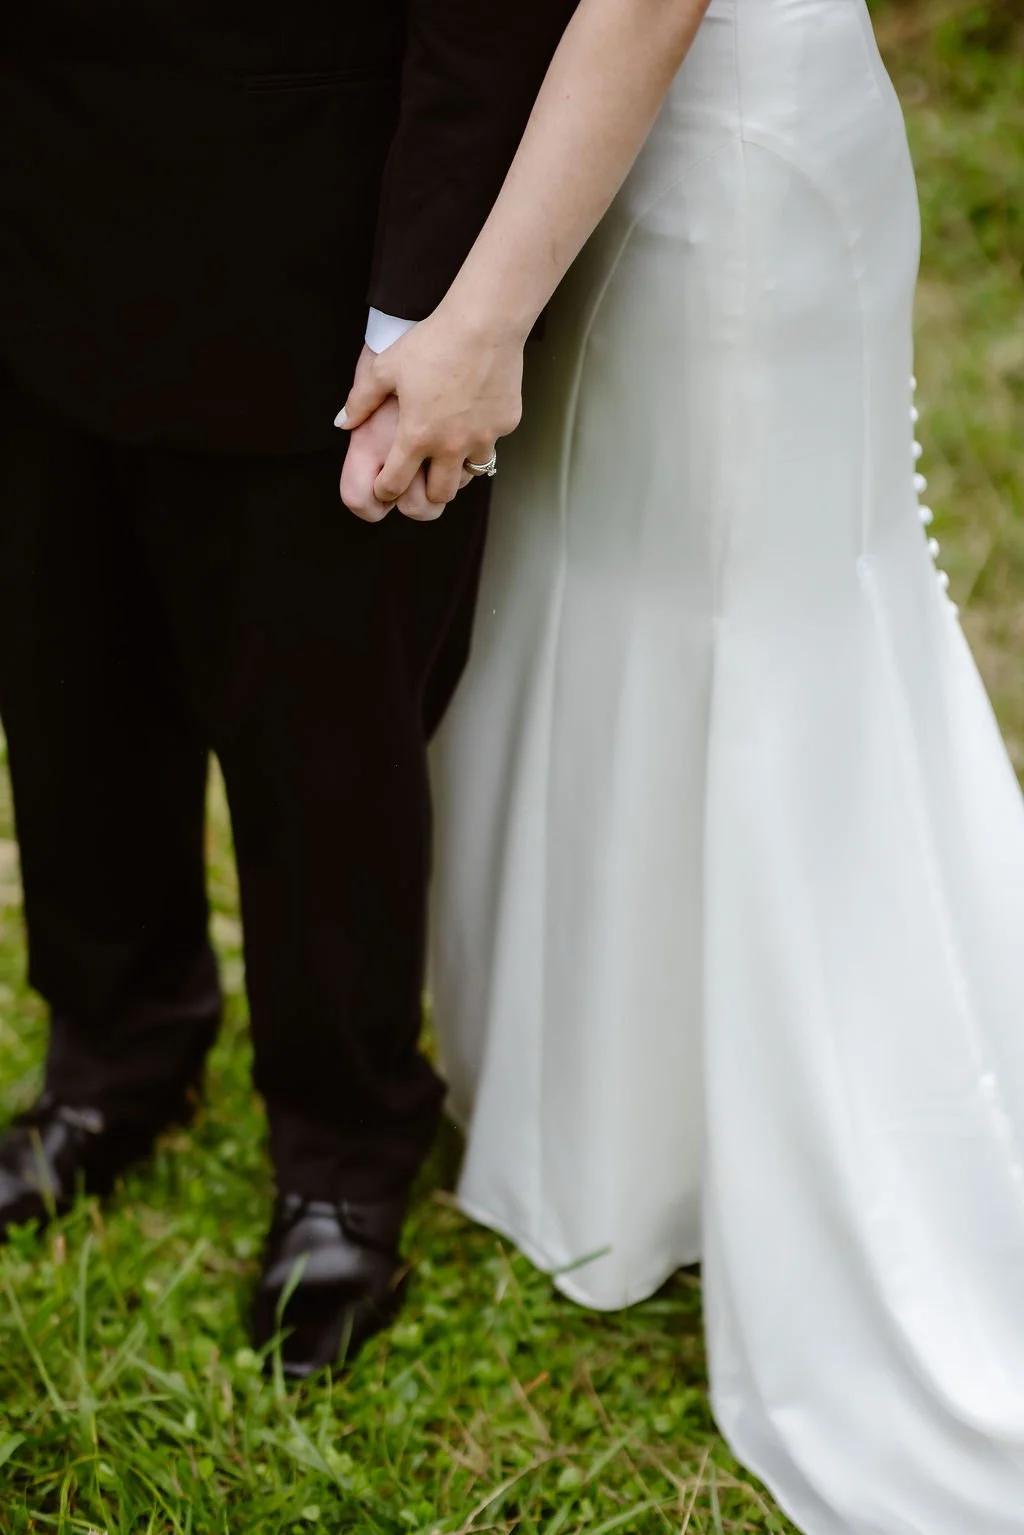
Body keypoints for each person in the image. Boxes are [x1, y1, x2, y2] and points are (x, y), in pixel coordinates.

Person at [341, 0, 1024, 1527]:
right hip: (610, 148)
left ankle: (800, 1141)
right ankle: (617, 1134)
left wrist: (477, 320)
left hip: (703, 145)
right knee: (608, 605)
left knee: (741, 642)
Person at [0, 0, 577, 1379]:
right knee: (66, 668)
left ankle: (342, 1141)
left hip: (314, 232)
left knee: (327, 739)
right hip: (37, 180)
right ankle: (117, 1049)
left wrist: (432, 299)